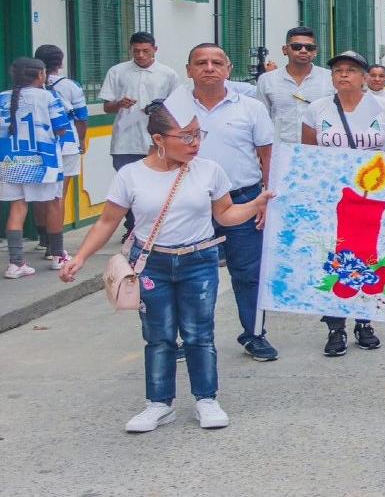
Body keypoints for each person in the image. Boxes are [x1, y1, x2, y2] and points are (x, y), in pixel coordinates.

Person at [60, 99, 272, 432]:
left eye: (198, 134)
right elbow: (107, 222)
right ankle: (159, 405)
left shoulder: (209, 170)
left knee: (199, 334)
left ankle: (206, 399)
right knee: (158, 336)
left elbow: (225, 214)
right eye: (186, 136)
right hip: (151, 263)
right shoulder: (131, 175)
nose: (195, 143)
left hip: (199, 261)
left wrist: (254, 205)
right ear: (159, 139)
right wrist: (80, 256)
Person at [180, 44, 278, 362]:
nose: (209, 68)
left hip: (243, 199)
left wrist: (266, 199)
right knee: (190, 274)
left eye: (216, 62)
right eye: (201, 63)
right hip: (190, 204)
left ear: (228, 69)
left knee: (249, 273)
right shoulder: (173, 108)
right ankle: (190, 338)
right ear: (189, 70)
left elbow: (267, 156)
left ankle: (254, 334)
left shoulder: (251, 108)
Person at [302, 51, 385, 356]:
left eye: (351, 70)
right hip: (334, 196)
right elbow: (307, 154)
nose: (344, 74)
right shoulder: (317, 109)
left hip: (372, 196)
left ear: (364, 77)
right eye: (338, 70)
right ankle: (335, 326)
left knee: (368, 255)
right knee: (336, 256)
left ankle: (365, 322)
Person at [100, 32, 185, 238]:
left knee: (158, 184)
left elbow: (178, 106)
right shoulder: (117, 71)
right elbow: (106, 107)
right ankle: (132, 229)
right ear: (130, 49)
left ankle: (156, 228)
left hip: (157, 140)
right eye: (136, 51)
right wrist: (119, 104)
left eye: (146, 51)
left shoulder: (168, 74)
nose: (140, 55)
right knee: (128, 186)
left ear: (155, 49)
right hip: (125, 141)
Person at [0, 58, 69, 278]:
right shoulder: (48, 97)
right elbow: (61, 129)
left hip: (11, 162)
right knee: (53, 203)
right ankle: (58, 256)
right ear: (40, 75)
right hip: (44, 162)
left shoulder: (3, 98)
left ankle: (16, 263)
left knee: (17, 207)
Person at [35, 45, 88, 266]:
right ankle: (54, 247)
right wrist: (81, 140)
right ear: (61, 62)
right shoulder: (71, 86)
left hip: (40, 145)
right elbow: (82, 117)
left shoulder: (30, 86)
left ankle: (43, 238)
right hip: (66, 143)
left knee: (40, 193)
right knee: (59, 196)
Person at [255, 26, 334, 144]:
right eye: (297, 47)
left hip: (320, 149)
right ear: (285, 50)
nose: (303, 50)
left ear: (315, 51)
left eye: (309, 47)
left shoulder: (330, 78)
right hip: (280, 149)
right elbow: (260, 119)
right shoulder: (267, 80)